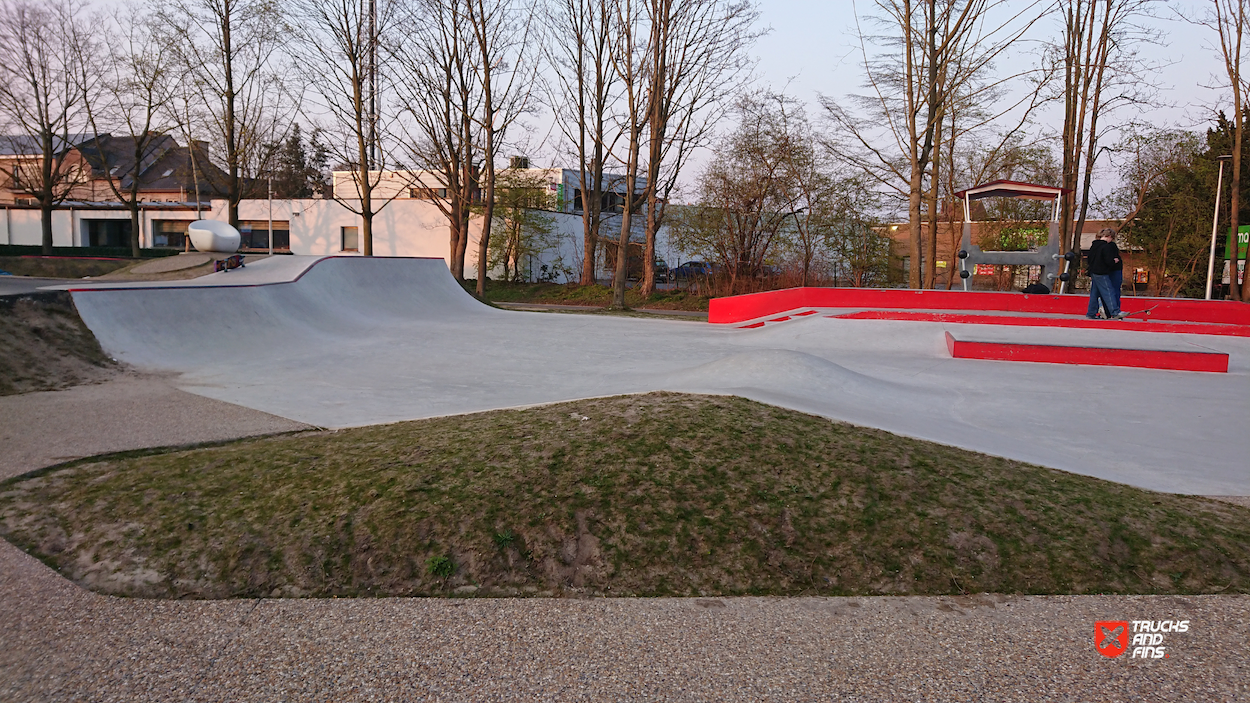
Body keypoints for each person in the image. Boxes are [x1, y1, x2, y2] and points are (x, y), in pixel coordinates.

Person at [1087, 228, 1127, 319]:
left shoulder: (1094, 246)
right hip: (1102, 272)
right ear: (1109, 236)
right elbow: (1108, 260)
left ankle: (1091, 313)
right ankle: (1115, 312)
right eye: (1111, 238)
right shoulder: (1106, 247)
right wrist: (1114, 261)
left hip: (1094, 272)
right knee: (1108, 291)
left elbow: (1090, 260)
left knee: (1095, 293)